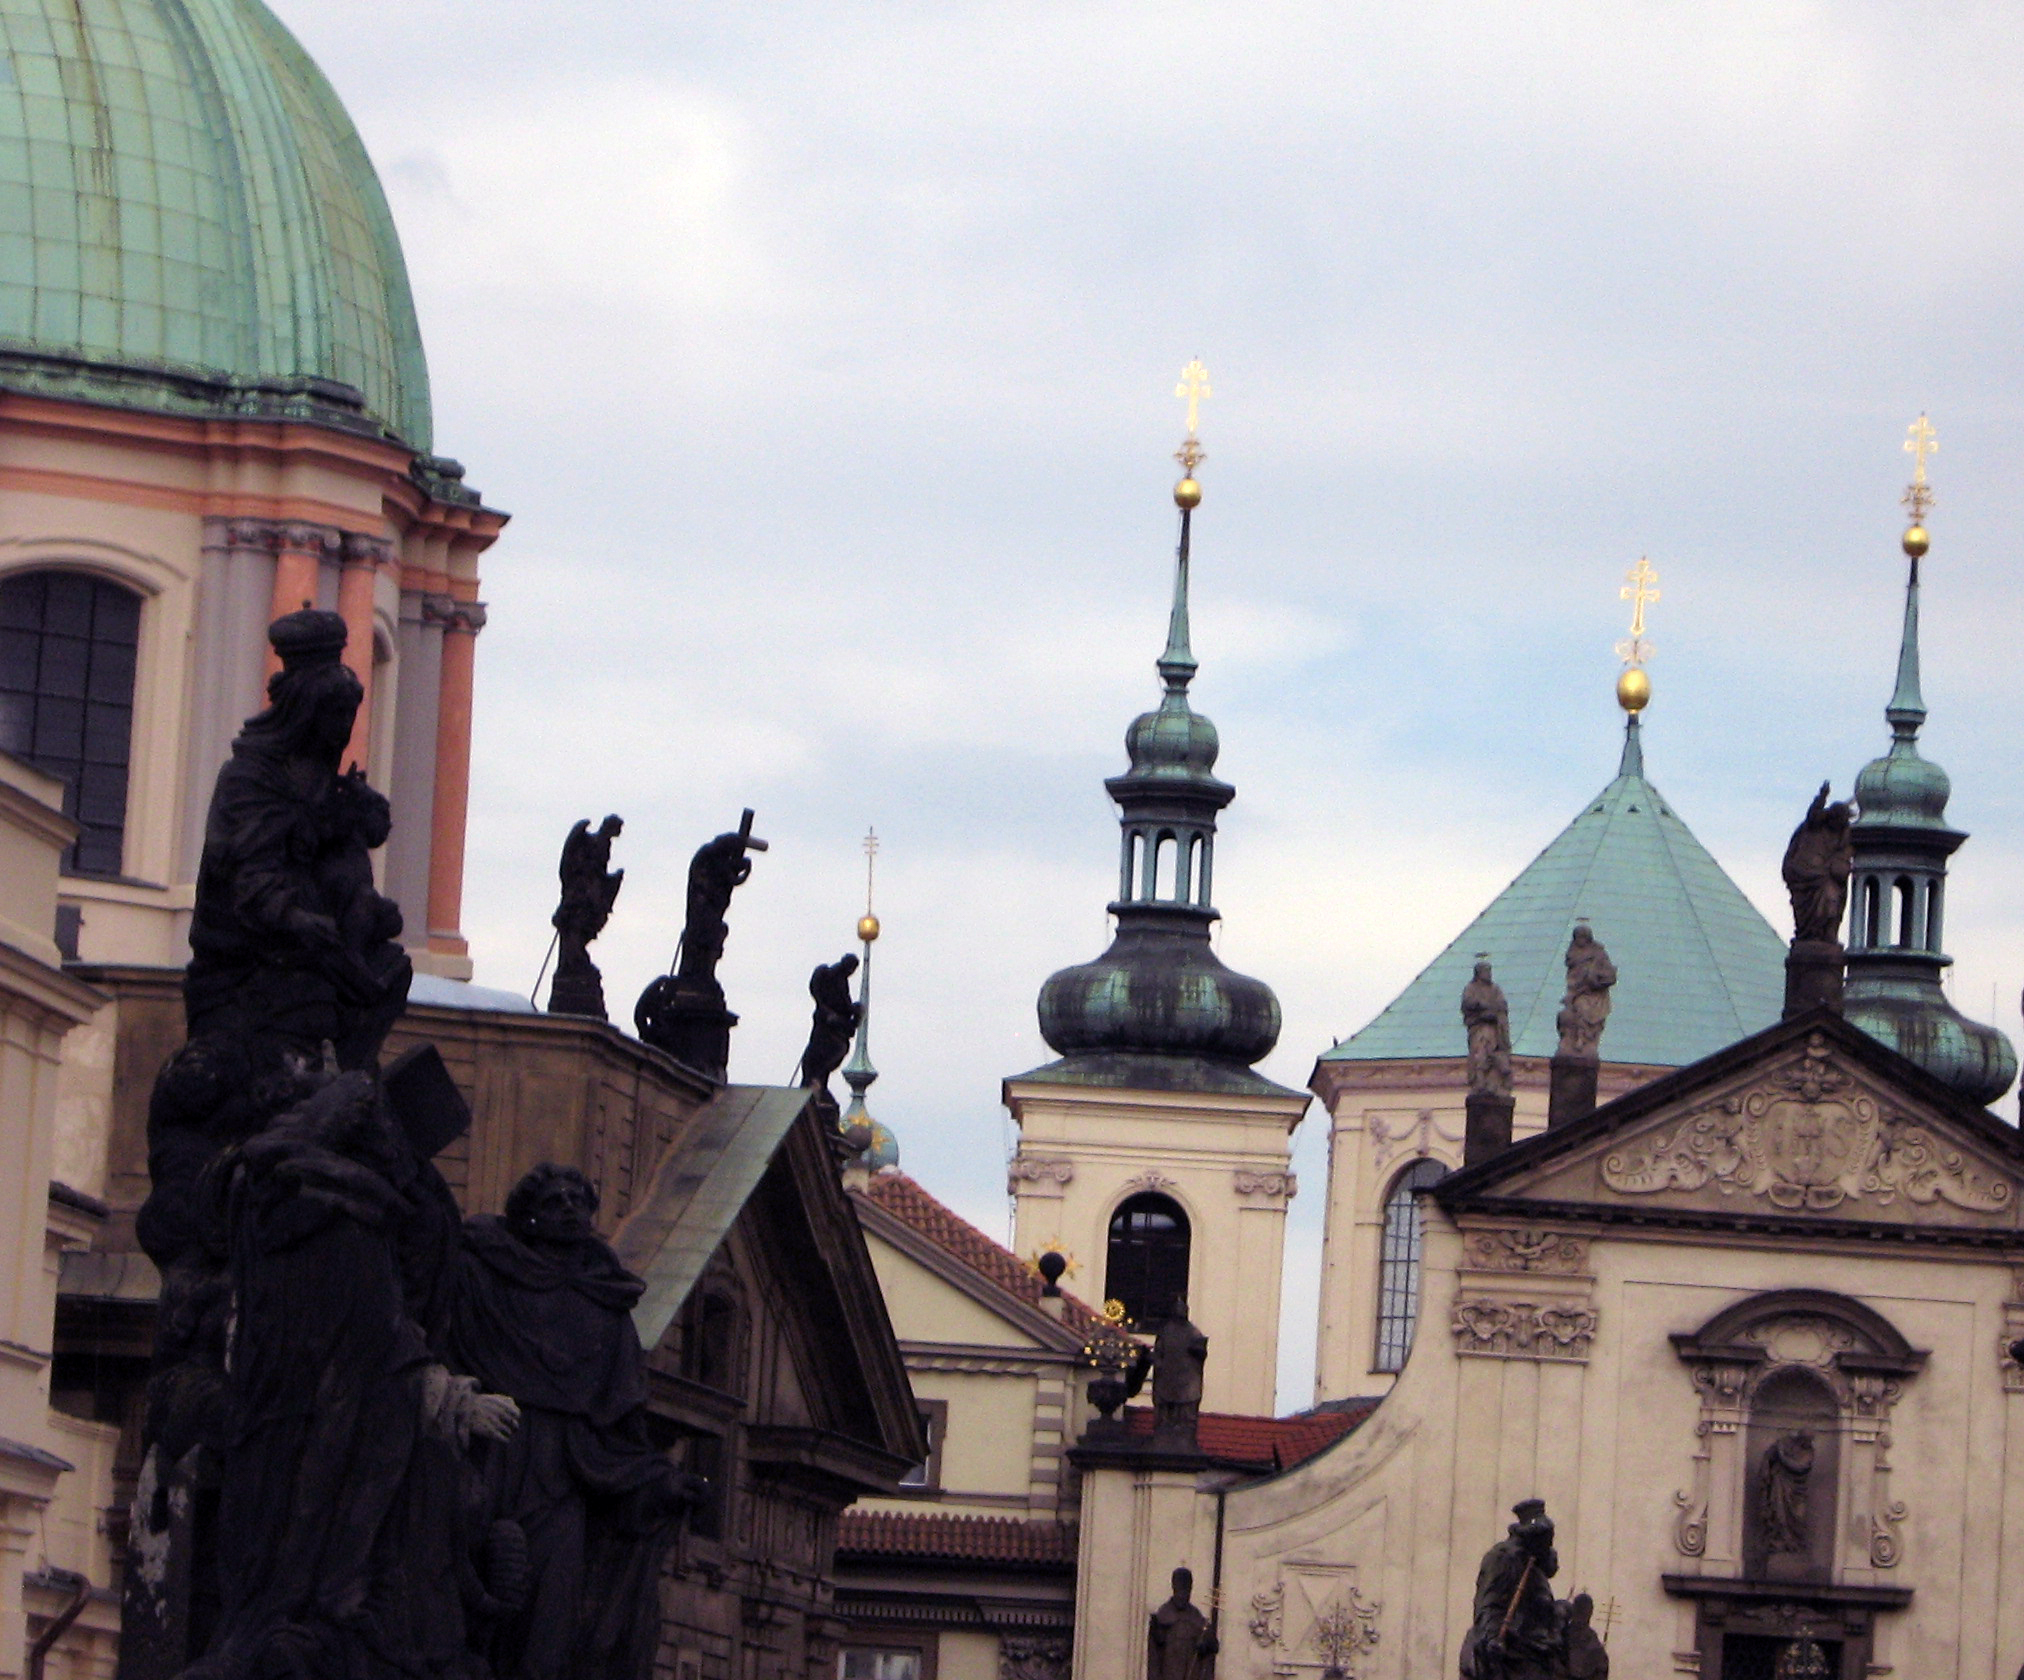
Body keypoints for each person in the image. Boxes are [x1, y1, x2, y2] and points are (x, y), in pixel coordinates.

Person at [188, 1070, 517, 1680]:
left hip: (279, 1427)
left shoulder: (274, 1202)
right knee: (318, 1592)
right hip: (331, 1447)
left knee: (274, 1589)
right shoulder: (344, 1217)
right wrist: (456, 1403)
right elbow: (377, 1348)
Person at [440, 1165, 700, 1680]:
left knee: (551, 1627)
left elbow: (620, 1428)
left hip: (564, 1475)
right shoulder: (478, 1271)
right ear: (527, 1213)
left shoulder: (606, 1302)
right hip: (489, 1454)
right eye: (554, 1198)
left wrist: (659, 1480)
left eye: (578, 1199)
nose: (567, 1207)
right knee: (460, 1600)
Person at [1461, 1499, 1563, 1680]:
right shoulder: (1504, 1559)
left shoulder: (1534, 1563)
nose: (1549, 1546)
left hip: (1536, 1647)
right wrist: (1493, 1638)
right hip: (1512, 1652)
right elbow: (1489, 1604)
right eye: (1547, 1540)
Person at [1781, 782, 1854, 945]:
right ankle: (1809, 933)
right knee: (1806, 908)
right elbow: (1813, 814)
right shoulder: (1816, 826)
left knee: (1831, 899)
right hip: (1803, 873)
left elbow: (1843, 857)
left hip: (1825, 877)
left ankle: (1826, 933)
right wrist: (1821, 797)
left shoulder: (1843, 835)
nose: (1840, 825)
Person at [1555, 926, 1617, 1060]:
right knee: (1576, 1011)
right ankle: (1576, 1038)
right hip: (1578, 991)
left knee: (1584, 1011)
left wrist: (1595, 978)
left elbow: (1609, 974)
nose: (1580, 941)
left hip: (1593, 994)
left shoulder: (1598, 953)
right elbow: (1573, 974)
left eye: (1583, 938)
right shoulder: (1572, 953)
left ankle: (1582, 1039)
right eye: (1578, 938)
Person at [1147, 1567, 1217, 1680]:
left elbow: (1212, 1645)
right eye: (1180, 1590)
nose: (1183, 1595)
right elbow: (1154, 1658)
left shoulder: (1195, 1615)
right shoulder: (1162, 1616)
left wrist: (1205, 1645)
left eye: (1186, 1591)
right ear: (1174, 1588)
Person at [1462, 960, 1513, 1098]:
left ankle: (1492, 1082)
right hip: (1479, 1027)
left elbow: (1502, 1005)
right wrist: (1481, 1005)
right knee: (1480, 1054)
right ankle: (1480, 1081)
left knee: (1492, 1053)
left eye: (1489, 971)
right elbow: (1468, 1003)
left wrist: (1495, 1012)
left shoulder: (1495, 989)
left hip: (1492, 1028)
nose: (1488, 974)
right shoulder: (1471, 988)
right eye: (1486, 971)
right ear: (1478, 974)